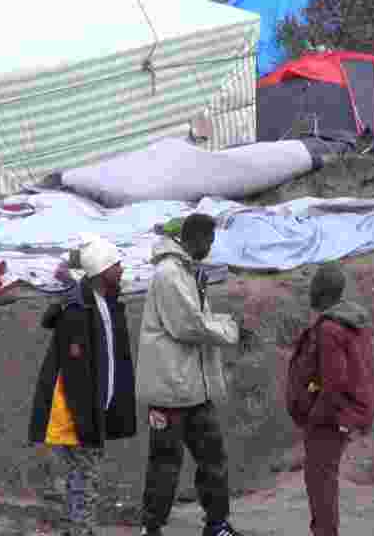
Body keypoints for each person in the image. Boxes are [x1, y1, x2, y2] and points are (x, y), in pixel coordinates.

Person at [135, 213, 247, 536]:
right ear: (191, 239)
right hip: (169, 391)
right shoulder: (169, 275)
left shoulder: (187, 273)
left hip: (194, 390)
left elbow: (199, 320)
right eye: (207, 241)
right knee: (165, 463)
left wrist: (224, 326)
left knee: (213, 458)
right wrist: (230, 330)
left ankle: (216, 524)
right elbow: (190, 326)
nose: (210, 248)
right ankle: (152, 528)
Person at [28, 235, 138, 536]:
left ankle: (75, 528)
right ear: (102, 271)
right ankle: (81, 530)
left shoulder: (102, 303)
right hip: (75, 410)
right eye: (117, 264)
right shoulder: (79, 310)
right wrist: (88, 420)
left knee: (81, 474)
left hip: (88, 407)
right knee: (85, 475)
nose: (123, 269)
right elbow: (77, 373)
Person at [287, 264, 374, 536]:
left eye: (314, 284)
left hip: (330, 419)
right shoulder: (350, 323)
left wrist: (316, 417)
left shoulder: (330, 329)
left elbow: (333, 383)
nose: (310, 290)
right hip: (341, 414)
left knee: (320, 482)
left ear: (323, 291)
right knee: (323, 479)